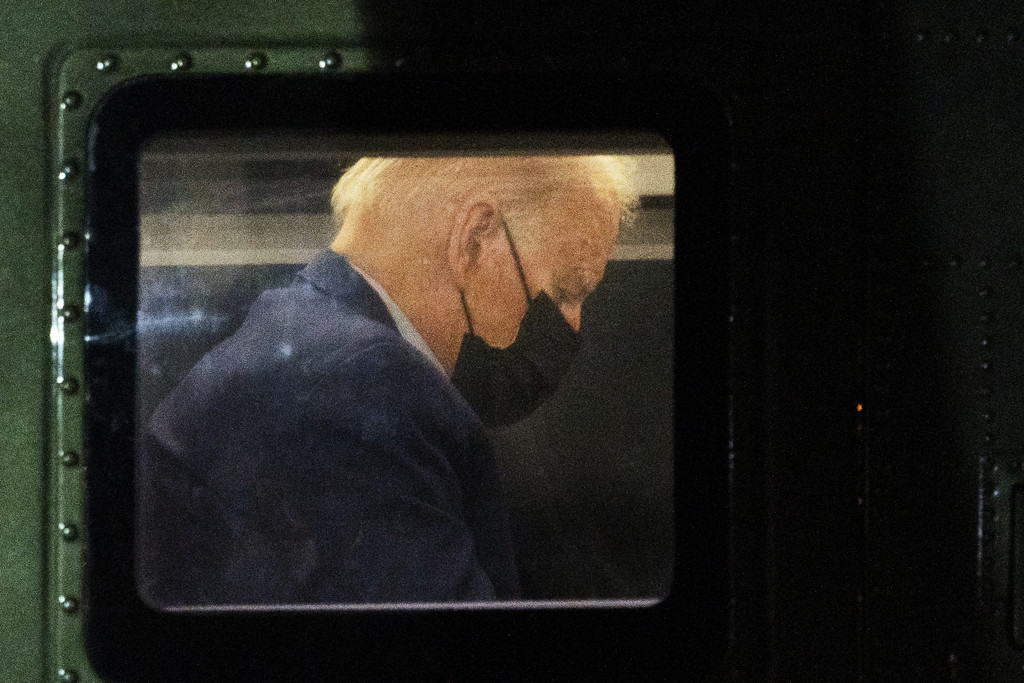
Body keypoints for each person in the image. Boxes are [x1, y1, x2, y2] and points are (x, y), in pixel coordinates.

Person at [136, 155, 637, 607]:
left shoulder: (304, 335)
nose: (573, 325)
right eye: (567, 289)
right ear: (476, 239)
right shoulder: (359, 393)